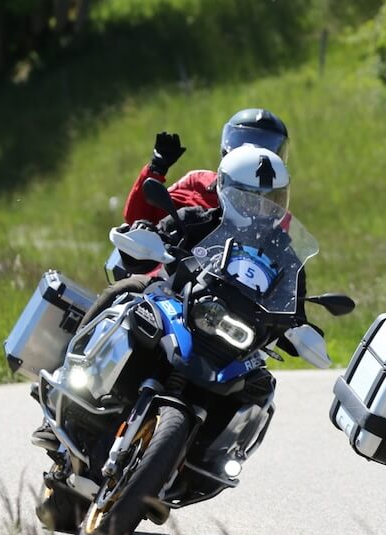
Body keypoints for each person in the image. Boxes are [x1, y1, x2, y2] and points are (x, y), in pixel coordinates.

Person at [32, 145, 296, 451]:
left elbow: (294, 294)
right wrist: (147, 233)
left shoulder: (284, 252)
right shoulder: (198, 218)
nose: (261, 209)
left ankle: (213, 456)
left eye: (270, 200)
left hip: (232, 336)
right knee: (127, 288)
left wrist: (300, 323)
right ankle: (66, 380)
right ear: (228, 190)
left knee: (261, 387)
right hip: (176, 303)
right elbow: (157, 235)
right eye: (251, 198)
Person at [120, 108, 290, 225]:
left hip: (242, 276)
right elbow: (138, 218)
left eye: (267, 146)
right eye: (245, 142)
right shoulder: (198, 181)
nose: (255, 153)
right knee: (136, 279)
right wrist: (156, 169)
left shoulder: (277, 206)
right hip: (183, 272)